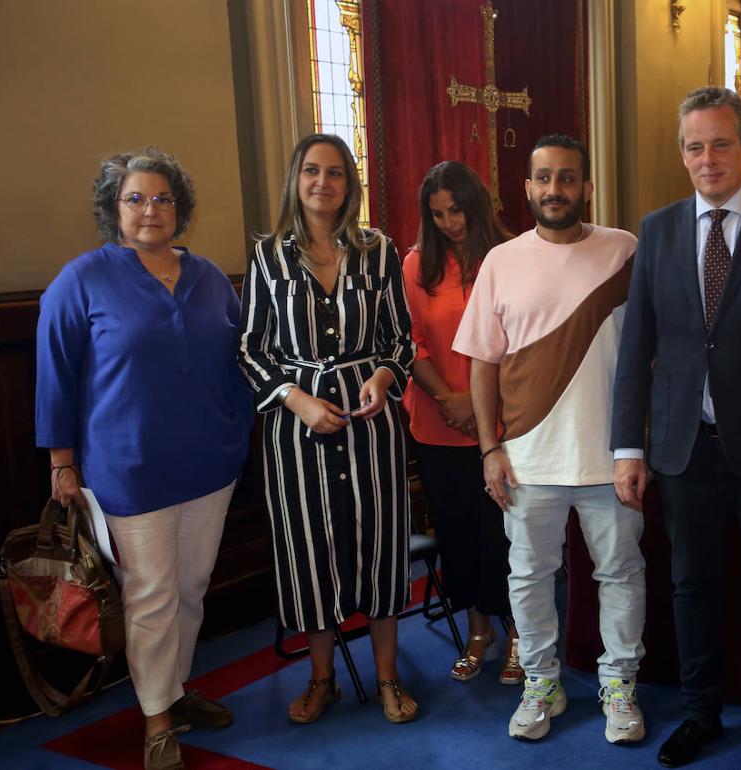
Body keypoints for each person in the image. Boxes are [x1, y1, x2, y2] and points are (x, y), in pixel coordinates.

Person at [611, 86, 741, 770]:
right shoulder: (658, 229)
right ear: (682, 154)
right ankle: (701, 714)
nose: (708, 159)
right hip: (682, 452)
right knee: (691, 588)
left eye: (721, 143)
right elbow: (636, 348)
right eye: (695, 146)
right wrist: (628, 445)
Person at [35, 147, 252, 770]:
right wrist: (61, 461)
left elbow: (240, 358)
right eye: (136, 198)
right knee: (151, 592)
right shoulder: (81, 281)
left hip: (210, 463)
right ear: (114, 208)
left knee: (192, 585)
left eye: (163, 198)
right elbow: (55, 377)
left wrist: (240, 432)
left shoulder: (210, 276)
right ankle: (157, 717)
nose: (151, 209)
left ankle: (175, 690)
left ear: (179, 207)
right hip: (128, 470)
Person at [453, 134, 647, 744]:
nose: (554, 189)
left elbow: (647, 355)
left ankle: (619, 686)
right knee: (528, 578)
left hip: (610, 458)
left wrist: (635, 447)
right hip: (527, 459)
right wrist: (490, 448)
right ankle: (542, 682)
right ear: (527, 187)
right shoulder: (501, 262)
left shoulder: (625, 251)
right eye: (543, 178)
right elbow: (482, 364)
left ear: (586, 187)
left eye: (567, 178)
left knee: (619, 574)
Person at [237, 133, 418, 725]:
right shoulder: (268, 255)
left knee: (382, 546)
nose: (323, 182)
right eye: (312, 171)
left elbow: (401, 338)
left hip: (372, 424)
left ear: (350, 184)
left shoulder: (378, 250)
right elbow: (251, 349)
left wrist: (386, 378)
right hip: (297, 432)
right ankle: (322, 679)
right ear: (296, 179)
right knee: (309, 552)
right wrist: (297, 400)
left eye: (336, 172)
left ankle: (388, 677)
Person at [402, 160, 522, 685]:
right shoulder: (415, 265)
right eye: (438, 214)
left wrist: (476, 408)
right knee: (457, 533)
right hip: (437, 420)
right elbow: (412, 341)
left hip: (502, 423)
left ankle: (520, 629)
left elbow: (520, 345)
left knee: (506, 533)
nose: (449, 222)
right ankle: (479, 630)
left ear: (476, 204)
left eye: (456, 210)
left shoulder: (512, 255)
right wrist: (446, 397)